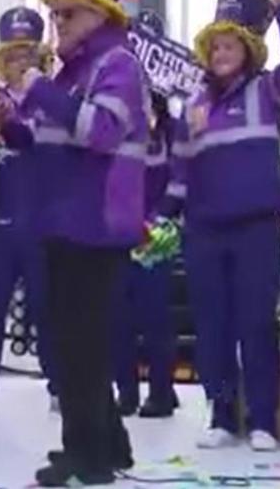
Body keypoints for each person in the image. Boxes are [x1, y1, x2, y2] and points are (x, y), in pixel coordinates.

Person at [13, 0, 149, 487]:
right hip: (66, 222)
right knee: (75, 345)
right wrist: (9, 125)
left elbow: (100, 133)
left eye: (67, 14)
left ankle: (88, 458)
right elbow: (48, 144)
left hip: (95, 224)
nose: (56, 24)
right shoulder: (72, 72)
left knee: (80, 349)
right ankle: (109, 447)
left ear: (98, 13)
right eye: (56, 14)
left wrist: (37, 91)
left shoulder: (116, 65)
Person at [158, 0, 280, 452]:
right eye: (215, 46)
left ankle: (262, 420)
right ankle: (221, 417)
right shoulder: (193, 107)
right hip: (203, 230)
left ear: (247, 49)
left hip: (257, 229)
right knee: (213, 326)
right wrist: (162, 216)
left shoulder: (269, 91)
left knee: (255, 324)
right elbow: (179, 171)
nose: (220, 52)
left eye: (229, 45)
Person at [0, 6, 60, 412]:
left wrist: (6, 124)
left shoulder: (51, 97)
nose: (19, 63)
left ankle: (59, 387)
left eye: (27, 54)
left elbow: (30, 139)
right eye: (12, 56)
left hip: (42, 222)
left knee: (48, 307)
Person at [111, 84, 181, 419]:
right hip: (115, 237)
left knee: (155, 318)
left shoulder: (170, 133)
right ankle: (125, 392)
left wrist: (155, 221)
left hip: (155, 237)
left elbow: (180, 181)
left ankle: (161, 393)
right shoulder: (113, 133)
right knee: (119, 319)